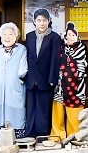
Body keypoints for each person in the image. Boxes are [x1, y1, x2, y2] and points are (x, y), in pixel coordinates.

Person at [23, 8, 63, 139]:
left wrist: (53, 79)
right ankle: (30, 133)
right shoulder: (29, 36)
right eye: (39, 20)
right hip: (31, 78)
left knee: (43, 108)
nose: (41, 23)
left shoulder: (54, 37)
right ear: (34, 21)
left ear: (49, 21)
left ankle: (43, 134)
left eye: (44, 20)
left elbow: (55, 59)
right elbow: (27, 57)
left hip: (46, 79)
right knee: (30, 108)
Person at [49, 25, 88, 145]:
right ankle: (57, 136)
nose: (70, 37)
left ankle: (75, 136)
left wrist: (77, 77)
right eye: (68, 35)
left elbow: (84, 65)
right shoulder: (61, 48)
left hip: (76, 86)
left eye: (73, 35)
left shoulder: (82, 48)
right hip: (61, 85)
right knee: (57, 112)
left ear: (77, 36)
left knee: (75, 112)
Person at [0, 22, 27, 139]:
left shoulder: (21, 49)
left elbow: (23, 67)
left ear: (16, 35)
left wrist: (20, 78)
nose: (7, 37)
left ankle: (17, 135)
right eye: (4, 34)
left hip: (15, 86)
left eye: (10, 34)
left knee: (16, 111)